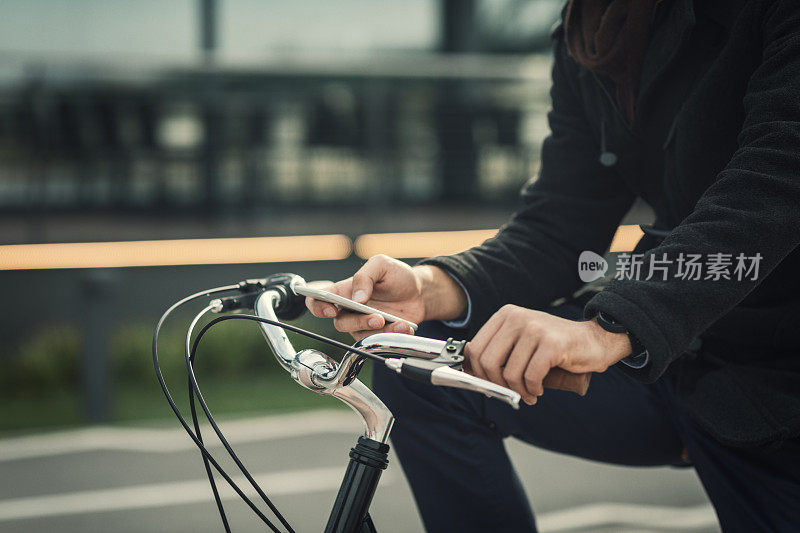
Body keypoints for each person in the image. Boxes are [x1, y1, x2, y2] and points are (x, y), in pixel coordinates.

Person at [307, 0, 800, 531]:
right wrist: (429, 287)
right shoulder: (588, 27)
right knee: (421, 368)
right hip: (675, 363)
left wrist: (615, 326)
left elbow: (777, 183)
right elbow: (562, 222)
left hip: (775, 378)